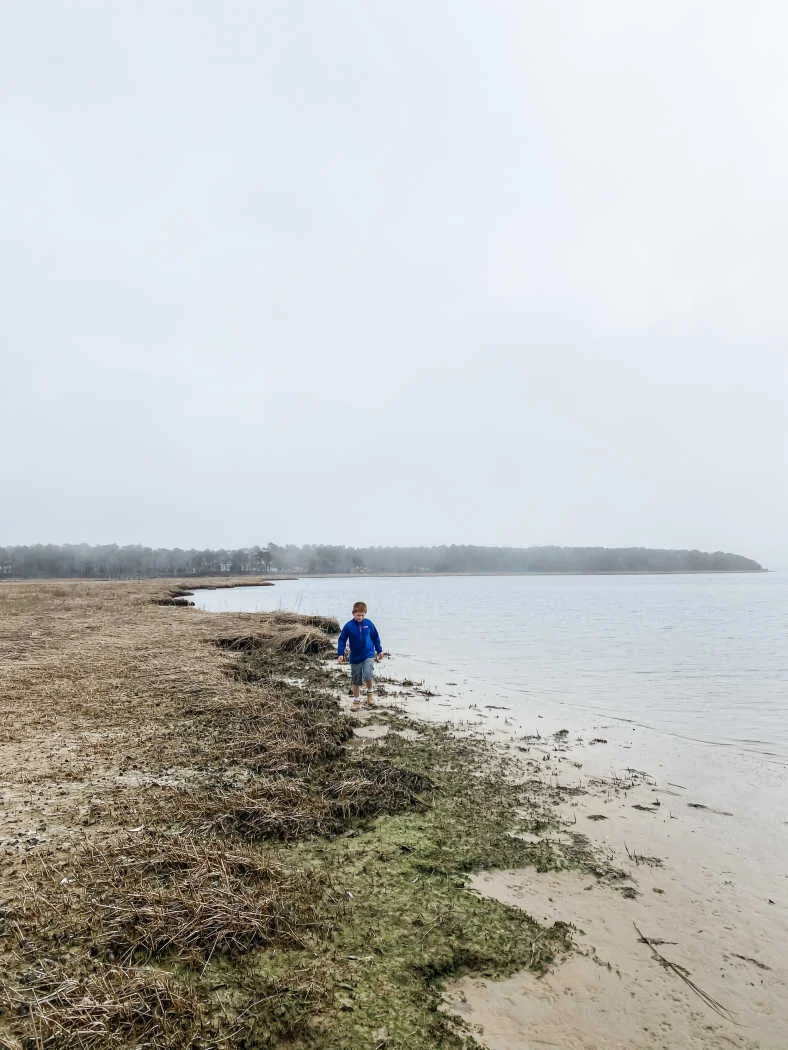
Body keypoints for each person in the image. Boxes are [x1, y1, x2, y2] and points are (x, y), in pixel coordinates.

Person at [337, 601, 383, 711]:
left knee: (368, 674)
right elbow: (342, 639)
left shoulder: (369, 623)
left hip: (368, 654)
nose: (360, 617)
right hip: (355, 657)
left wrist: (379, 650)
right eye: (358, 615)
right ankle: (356, 701)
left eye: (362, 615)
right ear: (353, 613)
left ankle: (370, 694)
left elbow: (375, 637)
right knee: (356, 680)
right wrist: (340, 654)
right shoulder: (349, 626)